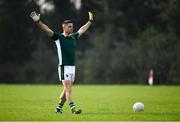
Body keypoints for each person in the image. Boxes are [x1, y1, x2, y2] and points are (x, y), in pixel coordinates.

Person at [30, 11, 93, 114]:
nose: (71, 28)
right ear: (64, 27)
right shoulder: (58, 37)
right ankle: (74, 110)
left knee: (66, 91)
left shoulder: (73, 37)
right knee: (68, 89)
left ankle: (58, 109)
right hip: (64, 67)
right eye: (69, 26)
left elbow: (82, 29)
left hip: (72, 67)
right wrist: (38, 22)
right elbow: (47, 29)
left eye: (72, 26)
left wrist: (90, 21)